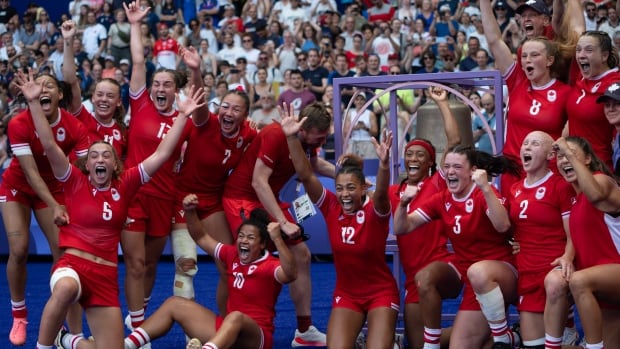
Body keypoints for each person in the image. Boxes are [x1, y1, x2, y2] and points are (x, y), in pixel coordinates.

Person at [20, 67, 203, 349]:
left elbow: (163, 152)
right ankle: (44, 346)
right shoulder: (73, 180)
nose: (100, 158)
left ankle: (66, 340)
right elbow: (49, 143)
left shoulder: (127, 183)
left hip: (105, 278)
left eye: (107, 154)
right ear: (87, 164)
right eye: (94, 155)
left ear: (115, 163)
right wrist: (33, 103)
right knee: (66, 288)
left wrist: (182, 115)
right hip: (73, 266)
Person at [281, 102, 400, 348]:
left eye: (351, 188)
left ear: (363, 188)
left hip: (381, 293)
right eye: (340, 188)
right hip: (347, 296)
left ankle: (388, 340)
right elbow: (306, 174)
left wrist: (384, 165)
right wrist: (292, 137)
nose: (344, 194)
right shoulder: (331, 206)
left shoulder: (375, 211)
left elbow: (380, 196)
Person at [222, 102, 333, 347]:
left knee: (301, 254)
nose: (322, 142)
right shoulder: (275, 134)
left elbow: (313, 166)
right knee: (252, 257)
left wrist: (345, 174)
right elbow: (258, 182)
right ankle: (234, 328)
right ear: (304, 128)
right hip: (243, 198)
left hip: (267, 200)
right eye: (320, 137)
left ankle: (304, 331)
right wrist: (282, 222)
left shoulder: (304, 142)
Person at [119, 202, 296, 349]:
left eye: (250, 238)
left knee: (235, 316)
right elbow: (201, 236)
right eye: (241, 236)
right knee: (174, 303)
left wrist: (278, 239)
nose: (243, 240)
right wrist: (189, 212)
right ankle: (125, 345)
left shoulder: (270, 266)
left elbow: (290, 273)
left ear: (263, 244)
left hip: (257, 337)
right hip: (226, 331)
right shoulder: (231, 253)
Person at [393, 145, 520, 348]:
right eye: (447, 166)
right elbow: (402, 227)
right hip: (475, 284)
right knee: (459, 346)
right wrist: (403, 203)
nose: (451, 171)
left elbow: (503, 225)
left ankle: (503, 337)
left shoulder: (483, 193)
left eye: (457, 167)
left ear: (473, 171)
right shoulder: (442, 200)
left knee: (478, 271)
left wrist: (486, 188)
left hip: (504, 273)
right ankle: (513, 337)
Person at [2, 70, 90, 345]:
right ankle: (19, 314)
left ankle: (73, 333)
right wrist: (55, 205)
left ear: (59, 95)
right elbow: (29, 173)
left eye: (49, 85)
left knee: (66, 257)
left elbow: (82, 170)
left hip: (52, 190)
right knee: (18, 250)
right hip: (17, 185)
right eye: (38, 85)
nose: (42, 89)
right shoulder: (18, 123)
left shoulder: (74, 127)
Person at [467, 131, 576, 349]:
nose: (526, 147)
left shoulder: (560, 185)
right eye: (524, 143)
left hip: (553, 268)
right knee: (534, 346)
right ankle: (511, 336)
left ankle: (570, 330)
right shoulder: (515, 189)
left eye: (535, 144)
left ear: (550, 155)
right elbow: (506, 228)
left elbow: (574, 229)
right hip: (527, 273)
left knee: (554, 338)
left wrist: (568, 256)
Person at [171, 45, 258, 315]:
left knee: (228, 265)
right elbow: (197, 99)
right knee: (186, 266)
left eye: (236, 110)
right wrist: (195, 69)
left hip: (212, 203)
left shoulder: (250, 135)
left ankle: (227, 324)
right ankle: (188, 335)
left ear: (244, 116)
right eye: (225, 107)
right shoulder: (204, 122)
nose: (228, 113)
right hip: (182, 201)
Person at [121, 0, 187, 334]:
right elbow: (136, 60)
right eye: (157, 84)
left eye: (167, 85)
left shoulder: (183, 120)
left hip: (165, 199)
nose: (160, 89)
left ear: (176, 91)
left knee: (149, 266)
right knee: (133, 264)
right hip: (133, 194)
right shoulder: (141, 102)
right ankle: (137, 329)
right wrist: (135, 24)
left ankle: (137, 316)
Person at [388, 87, 461, 349]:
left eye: (420, 155)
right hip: (412, 280)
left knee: (427, 279)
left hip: (442, 266)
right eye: (409, 154)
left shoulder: (436, 183)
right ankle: (473, 331)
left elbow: (453, 141)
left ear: (431, 163)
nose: (413, 158)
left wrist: (441, 102)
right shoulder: (393, 191)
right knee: (416, 345)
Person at [479, 0, 571, 197]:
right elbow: (494, 40)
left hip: (549, 174)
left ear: (549, 60)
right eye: (524, 56)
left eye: (534, 55)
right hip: (513, 171)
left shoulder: (565, 92)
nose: (527, 60)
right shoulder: (517, 81)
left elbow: (560, 21)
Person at [553, 136, 620, 349]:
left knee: (579, 281)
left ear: (588, 159)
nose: (564, 159)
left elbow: (595, 195)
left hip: (613, 272)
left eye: (570, 154)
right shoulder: (576, 203)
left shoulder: (601, 180)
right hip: (605, 291)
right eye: (560, 156)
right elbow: (575, 237)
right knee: (554, 280)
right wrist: (567, 256)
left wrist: (565, 148)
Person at [62, 20, 127, 158]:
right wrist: (68, 41)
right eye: (100, 94)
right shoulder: (83, 119)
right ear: (93, 98)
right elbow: (70, 82)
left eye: (110, 96)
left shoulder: (123, 132)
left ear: (119, 102)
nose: (103, 99)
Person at [567, 30, 620, 171]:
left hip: (600, 168)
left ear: (604, 56)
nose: (581, 55)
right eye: (578, 50)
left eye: (589, 50)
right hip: (574, 165)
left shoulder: (615, 84)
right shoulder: (582, 76)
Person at [343, 92, 378, 159]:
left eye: (362, 99)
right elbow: (345, 132)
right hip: (353, 143)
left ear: (365, 101)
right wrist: (355, 127)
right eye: (357, 99)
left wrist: (365, 128)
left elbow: (375, 132)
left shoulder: (370, 114)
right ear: (354, 102)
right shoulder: (350, 114)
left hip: (368, 143)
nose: (359, 101)